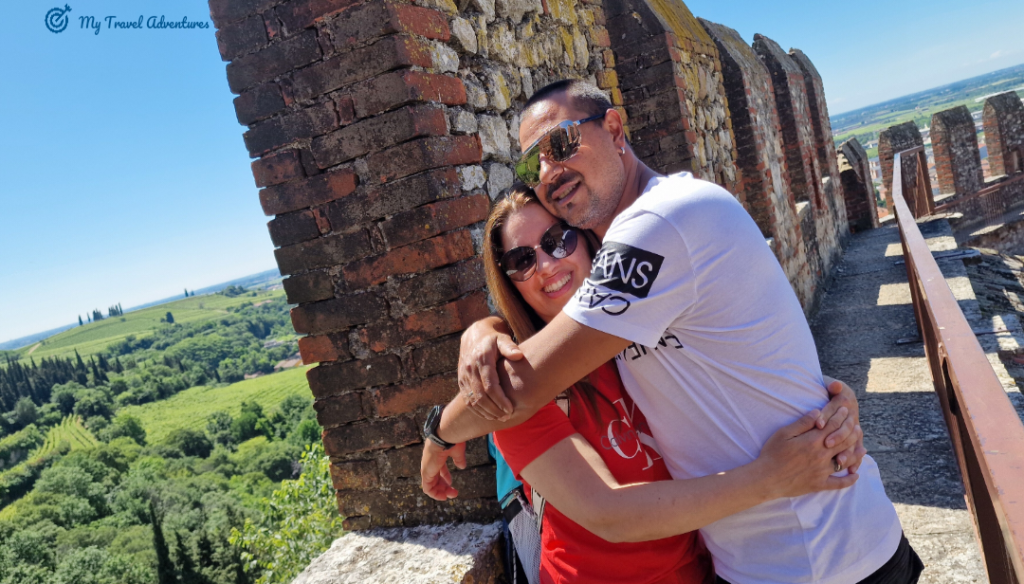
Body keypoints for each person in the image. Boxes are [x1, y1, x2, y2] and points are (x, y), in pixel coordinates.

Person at [423, 79, 923, 584]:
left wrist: (439, 432)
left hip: (823, 554)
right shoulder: (623, 273)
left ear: (613, 129)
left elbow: (519, 386)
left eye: (562, 142)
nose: (549, 170)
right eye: (533, 164)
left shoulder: (658, 222)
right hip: (762, 559)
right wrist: (485, 329)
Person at [436, 184, 863, 584]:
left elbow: (737, 377)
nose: (546, 264)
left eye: (556, 240)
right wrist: (770, 477)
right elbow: (609, 513)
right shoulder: (511, 393)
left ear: (586, 239)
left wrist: (829, 404)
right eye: (521, 261)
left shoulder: (644, 328)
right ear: (511, 282)